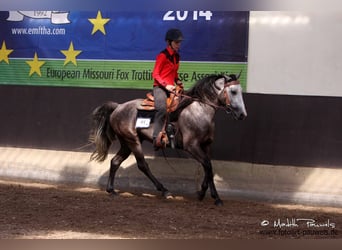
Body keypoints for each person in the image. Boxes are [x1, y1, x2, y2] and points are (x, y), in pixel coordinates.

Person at [152, 28, 184, 150]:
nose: (179, 45)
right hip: (160, 88)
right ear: (169, 42)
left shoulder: (177, 57)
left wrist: (178, 81)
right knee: (162, 109)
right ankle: (156, 138)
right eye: (176, 42)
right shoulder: (162, 56)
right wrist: (166, 85)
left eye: (179, 42)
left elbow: (174, 73)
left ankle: (172, 132)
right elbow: (155, 74)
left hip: (171, 88)